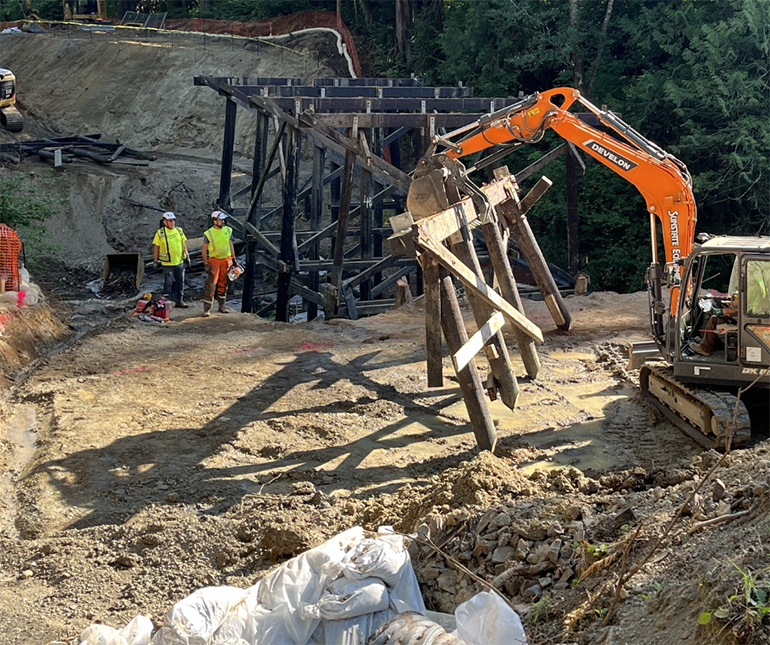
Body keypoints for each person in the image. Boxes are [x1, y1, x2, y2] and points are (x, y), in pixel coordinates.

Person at [201, 210, 236, 317]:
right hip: (214, 261)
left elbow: (230, 245)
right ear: (214, 221)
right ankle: (207, 309)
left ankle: (222, 306)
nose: (223, 221)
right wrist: (206, 263)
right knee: (211, 285)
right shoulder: (209, 233)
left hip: (226, 260)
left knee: (223, 284)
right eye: (221, 220)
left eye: (223, 219)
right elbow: (204, 250)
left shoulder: (228, 230)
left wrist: (234, 259)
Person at [153, 212, 190, 308]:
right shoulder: (160, 233)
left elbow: (184, 243)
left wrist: (187, 256)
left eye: (173, 220)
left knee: (180, 282)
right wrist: (155, 261)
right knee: (168, 283)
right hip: (167, 263)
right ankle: (167, 303)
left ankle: (179, 301)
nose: (172, 222)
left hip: (179, 262)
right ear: (165, 221)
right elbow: (156, 247)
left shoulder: (179, 230)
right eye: (170, 221)